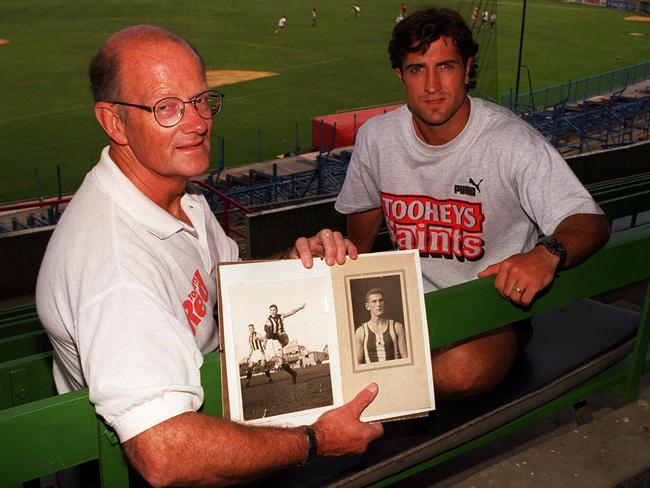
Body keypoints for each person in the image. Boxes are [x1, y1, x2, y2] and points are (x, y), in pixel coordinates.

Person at [36, 25, 383, 487]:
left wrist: (297, 259)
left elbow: (228, 282)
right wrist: (315, 442)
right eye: (167, 108)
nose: (197, 122)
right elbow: (164, 455)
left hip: (214, 409)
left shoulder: (178, 197)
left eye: (201, 100)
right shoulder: (116, 267)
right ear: (114, 121)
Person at [335, 8, 610, 400]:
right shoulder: (377, 138)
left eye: (445, 66)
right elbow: (360, 225)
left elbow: (590, 221)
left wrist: (546, 254)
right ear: (400, 75)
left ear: (467, 69)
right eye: (417, 69)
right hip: (405, 305)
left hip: (490, 309)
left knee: (460, 371)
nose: (432, 85)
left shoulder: (511, 142)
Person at [355, 288, 407, 364]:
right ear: (367, 306)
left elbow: (405, 357)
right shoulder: (361, 332)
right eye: (374, 301)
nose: (378, 304)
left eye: (381, 300)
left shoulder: (396, 327)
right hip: (372, 375)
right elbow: (357, 364)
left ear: (384, 304)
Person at [264, 302, 305, 383]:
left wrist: (300, 307)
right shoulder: (268, 321)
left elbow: (291, 312)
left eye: (274, 310)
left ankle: (273, 335)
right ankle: (293, 373)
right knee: (281, 362)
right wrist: (265, 341)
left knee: (274, 334)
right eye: (271, 310)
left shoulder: (281, 316)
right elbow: (266, 331)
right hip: (276, 342)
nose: (273, 312)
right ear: (270, 311)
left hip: (283, 337)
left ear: (277, 310)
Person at [245, 324, 272, 388]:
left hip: (259, 351)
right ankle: (247, 382)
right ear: (248, 330)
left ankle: (269, 378)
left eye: (252, 328)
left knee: (263, 365)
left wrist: (258, 338)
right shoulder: (249, 337)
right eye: (249, 329)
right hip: (254, 352)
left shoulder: (257, 334)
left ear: (254, 328)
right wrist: (248, 355)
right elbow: (251, 347)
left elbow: (263, 339)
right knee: (250, 367)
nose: (251, 329)